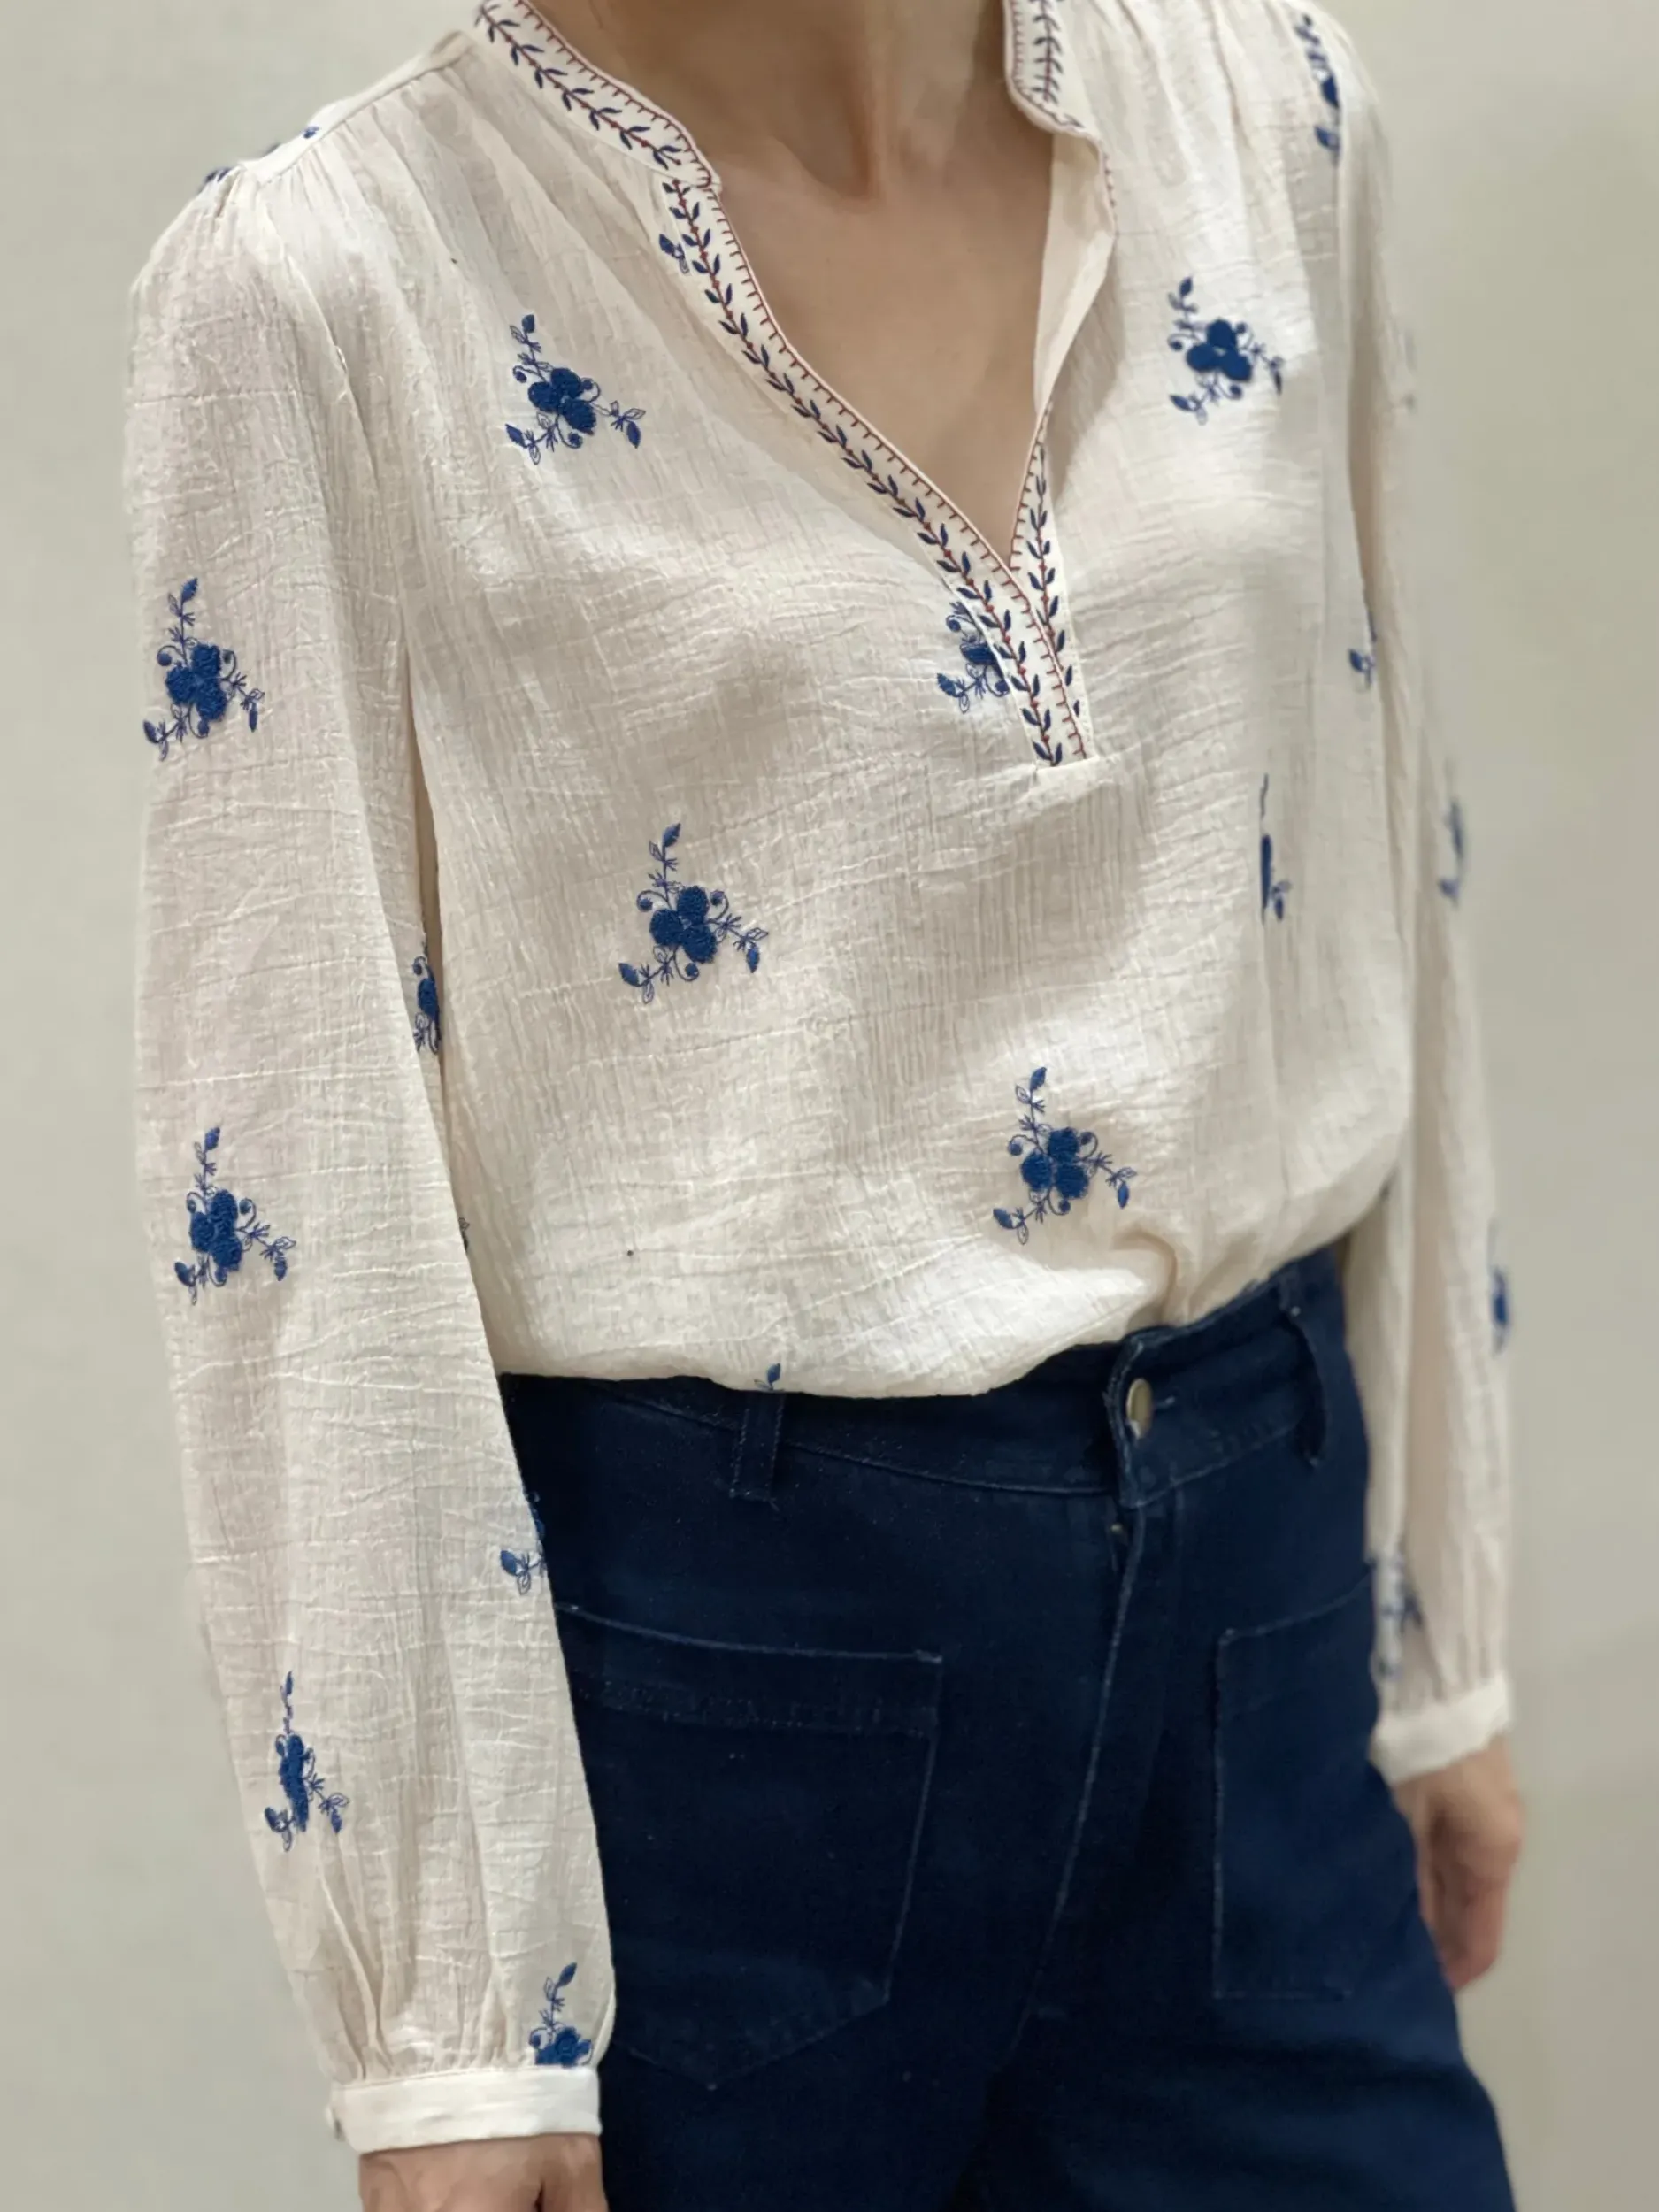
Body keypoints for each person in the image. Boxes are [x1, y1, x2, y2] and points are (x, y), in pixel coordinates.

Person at [123, 1, 1525, 2206]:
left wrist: (1439, 1629)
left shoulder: (1266, 109)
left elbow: (1376, 854)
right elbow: (295, 1147)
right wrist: (452, 2031)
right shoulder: (328, 282)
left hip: (1253, 1599)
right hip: (726, 1697)